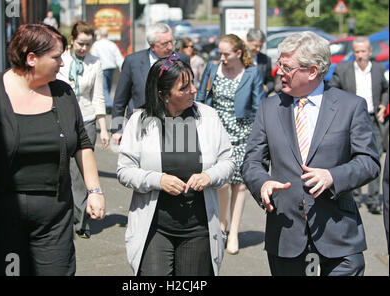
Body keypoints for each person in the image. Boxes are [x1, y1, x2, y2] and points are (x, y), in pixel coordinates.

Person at [0, 24, 106, 276]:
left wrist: (95, 190)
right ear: (31, 58)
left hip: (54, 216)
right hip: (2, 216)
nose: (62, 64)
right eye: (56, 57)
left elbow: (82, 144)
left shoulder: (63, 94)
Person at [241, 31, 381, 276]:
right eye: (279, 65)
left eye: (287, 67)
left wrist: (333, 177)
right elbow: (252, 161)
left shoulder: (350, 106)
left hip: (339, 236)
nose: (279, 72)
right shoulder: (269, 108)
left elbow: (369, 161)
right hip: (286, 233)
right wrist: (262, 183)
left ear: (312, 71)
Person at [117, 53, 235, 276]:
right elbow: (124, 170)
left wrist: (209, 176)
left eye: (192, 83)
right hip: (155, 228)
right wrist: (157, 180)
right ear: (163, 94)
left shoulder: (207, 117)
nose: (193, 90)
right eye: (184, 87)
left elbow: (228, 161)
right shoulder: (140, 120)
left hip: (198, 228)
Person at [196, 34, 265, 255]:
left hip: (243, 132)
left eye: (226, 54)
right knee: (221, 182)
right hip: (215, 131)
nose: (222, 58)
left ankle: (233, 231)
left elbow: (258, 106)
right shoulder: (212, 68)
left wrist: (261, 136)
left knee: (240, 184)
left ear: (238, 53)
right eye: (220, 53)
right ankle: (222, 224)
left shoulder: (252, 72)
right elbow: (201, 96)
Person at [57, 21, 109, 239]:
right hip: (60, 118)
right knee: (61, 170)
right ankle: (61, 216)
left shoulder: (95, 63)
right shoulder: (59, 59)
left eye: (88, 45)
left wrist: (103, 128)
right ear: (72, 40)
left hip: (86, 119)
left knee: (80, 174)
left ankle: (80, 222)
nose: (83, 49)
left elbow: (98, 96)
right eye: (80, 44)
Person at [329, 36, 388, 214]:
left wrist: (383, 105)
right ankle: (353, 196)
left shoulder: (378, 69)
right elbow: (333, 88)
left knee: (374, 157)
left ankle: (373, 199)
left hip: (372, 119)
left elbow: (386, 89)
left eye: (363, 51)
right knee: (352, 157)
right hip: (351, 120)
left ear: (370, 52)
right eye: (357, 52)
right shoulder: (343, 69)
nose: (360, 55)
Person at [111, 23, 190, 145]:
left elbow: (188, 92)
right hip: (141, 125)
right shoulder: (133, 62)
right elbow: (120, 99)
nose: (170, 47)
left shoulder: (181, 59)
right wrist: (117, 129)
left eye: (172, 42)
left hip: (174, 124)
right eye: (165, 44)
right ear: (152, 45)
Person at [91, 27, 124, 111]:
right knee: (108, 86)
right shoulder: (112, 44)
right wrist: (122, 67)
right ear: (107, 34)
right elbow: (118, 56)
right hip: (111, 67)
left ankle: (108, 104)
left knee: (104, 87)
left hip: (101, 67)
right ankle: (108, 103)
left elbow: (93, 56)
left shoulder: (96, 44)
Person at [245, 28, 274, 96]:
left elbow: (270, 81)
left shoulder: (265, 59)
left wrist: (266, 88)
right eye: (255, 46)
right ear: (248, 41)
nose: (258, 49)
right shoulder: (238, 58)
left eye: (260, 46)